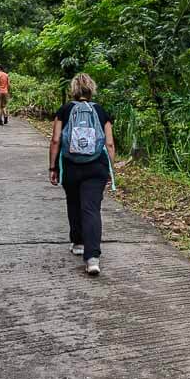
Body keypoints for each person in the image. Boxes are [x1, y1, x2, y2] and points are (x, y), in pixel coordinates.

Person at [49, 73, 117, 276]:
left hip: (70, 166)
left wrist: (53, 167)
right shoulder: (100, 111)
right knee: (91, 209)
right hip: (96, 167)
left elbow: (55, 140)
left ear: (74, 90)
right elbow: (110, 143)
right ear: (91, 89)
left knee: (73, 202)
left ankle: (78, 242)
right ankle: (93, 258)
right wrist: (109, 169)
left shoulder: (65, 110)